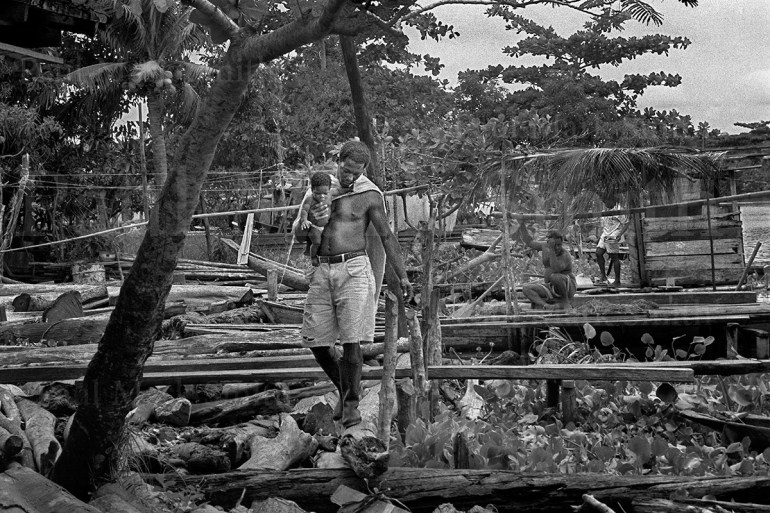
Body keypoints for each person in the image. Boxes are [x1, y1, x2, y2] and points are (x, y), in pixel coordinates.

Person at [301, 140, 413, 428]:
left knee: (352, 340)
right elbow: (302, 232)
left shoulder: (369, 194)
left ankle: (351, 405)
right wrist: (308, 224)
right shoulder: (321, 189)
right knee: (316, 341)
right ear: (339, 161)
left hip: (354, 268)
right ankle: (346, 388)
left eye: (356, 173)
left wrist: (401, 277)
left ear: (363, 171)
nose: (349, 177)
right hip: (322, 270)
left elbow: (387, 236)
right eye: (346, 170)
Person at [517, 225, 576, 310]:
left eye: (559, 245)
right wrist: (521, 225)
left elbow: (555, 270)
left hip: (568, 288)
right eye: (555, 245)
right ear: (548, 243)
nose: (557, 248)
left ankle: (565, 302)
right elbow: (529, 242)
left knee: (555, 277)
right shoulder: (545, 246)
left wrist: (552, 249)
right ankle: (546, 305)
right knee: (526, 288)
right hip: (551, 288)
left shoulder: (565, 255)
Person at [294, 172, 335, 264]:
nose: (322, 196)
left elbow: (340, 192)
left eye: (325, 193)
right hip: (315, 227)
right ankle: (313, 257)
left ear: (329, 190)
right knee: (316, 242)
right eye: (317, 193)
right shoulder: (310, 199)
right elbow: (304, 210)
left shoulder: (331, 195)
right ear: (312, 190)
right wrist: (304, 220)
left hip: (326, 227)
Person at [596, 194, 628, 287]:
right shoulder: (605, 210)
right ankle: (603, 276)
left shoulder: (618, 210)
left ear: (612, 200)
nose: (605, 203)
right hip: (605, 233)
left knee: (614, 257)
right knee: (598, 253)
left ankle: (617, 280)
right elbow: (603, 224)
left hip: (613, 234)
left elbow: (626, 223)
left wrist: (620, 234)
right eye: (604, 202)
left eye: (606, 202)